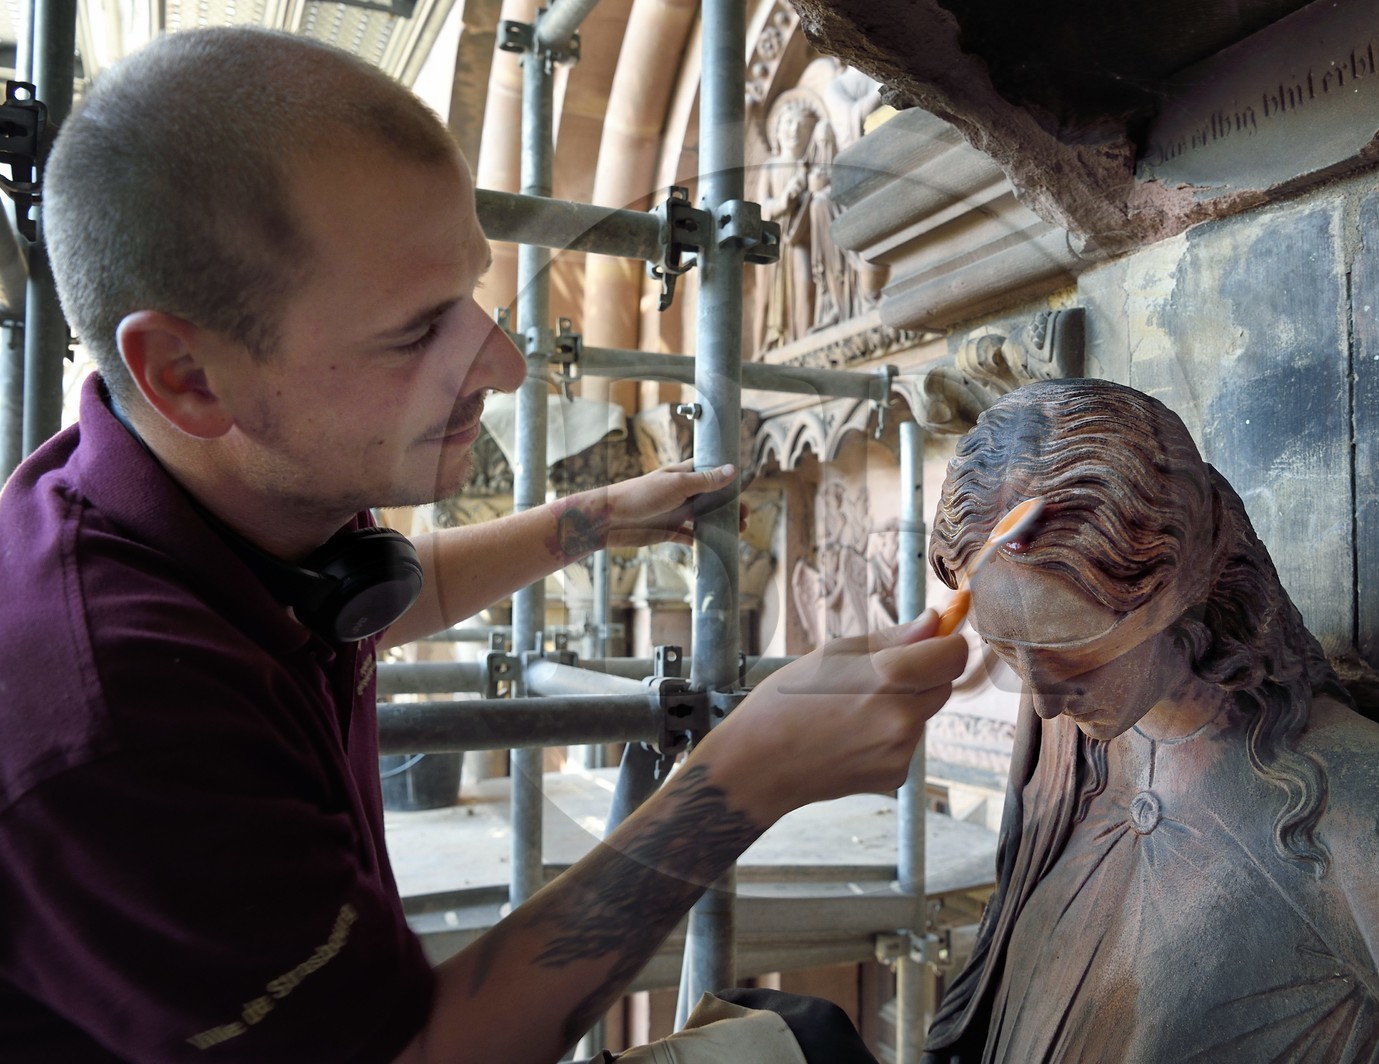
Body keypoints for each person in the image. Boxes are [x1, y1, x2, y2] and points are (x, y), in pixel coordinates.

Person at [0, 27, 968, 1063]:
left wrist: (591, 521)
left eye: (471, 292)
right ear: (187, 375)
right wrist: (744, 778)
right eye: (418, 331)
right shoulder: (108, 719)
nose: (502, 364)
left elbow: (382, 596)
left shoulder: (235, 489)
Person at [921, 378, 1379, 1062]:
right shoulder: (1066, 761)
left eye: (1078, 649)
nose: (1041, 699)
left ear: (1178, 587)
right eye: (1006, 649)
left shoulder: (1375, 813)